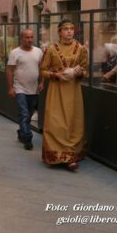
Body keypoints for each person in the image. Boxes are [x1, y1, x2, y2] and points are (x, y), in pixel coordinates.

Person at [40, 19, 88, 171]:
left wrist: (80, 72)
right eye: (66, 29)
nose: (69, 32)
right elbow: (43, 70)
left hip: (73, 91)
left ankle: (71, 156)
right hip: (56, 91)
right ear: (59, 32)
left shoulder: (80, 49)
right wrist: (56, 75)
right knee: (56, 122)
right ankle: (56, 154)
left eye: (71, 29)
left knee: (74, 121)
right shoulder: (51, 49)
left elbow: (85, 69)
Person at [6, 29, 43, 150]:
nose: (30, 40)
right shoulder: (15, 53)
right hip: (19, 88)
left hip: (33, 89)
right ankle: (28, 138)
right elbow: (10, 70)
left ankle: (22, 132)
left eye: (32, 37)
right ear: (21, 38)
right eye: (27, 37)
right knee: (24, 113)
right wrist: (11, 87)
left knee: (29, 113)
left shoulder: (38, 52)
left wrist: (42, 82)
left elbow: (41, 68)